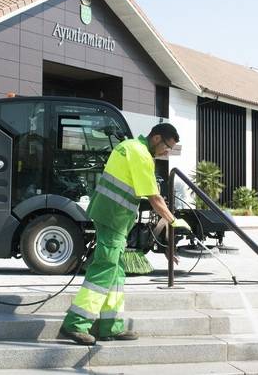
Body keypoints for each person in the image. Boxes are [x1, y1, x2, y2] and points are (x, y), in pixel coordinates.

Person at [59, 123, 189, 345]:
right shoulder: (140, 154)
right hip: (113, 217)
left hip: (113, 217)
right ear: (156, 138)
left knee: (117, 272)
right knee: (104, 268)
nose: (167, 152)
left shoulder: (129, 145)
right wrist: (173, 220)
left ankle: (110, 326)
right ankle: (76, 323)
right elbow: (153, 196)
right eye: (167, 146)